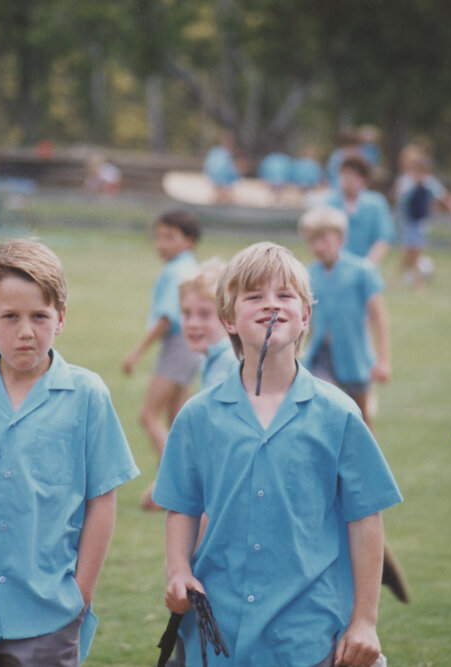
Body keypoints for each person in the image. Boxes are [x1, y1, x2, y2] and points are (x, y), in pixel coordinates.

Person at [154, 241, 402, 667]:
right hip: (218, 632)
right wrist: (178, 570)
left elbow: (365, 517)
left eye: (285, 295)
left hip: (307, 632)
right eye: (254, 296)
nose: (271, 304)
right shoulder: (197, 416)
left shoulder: (339, 413)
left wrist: (364, 620)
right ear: (228, 319)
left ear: (305, 315)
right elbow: (183, 506)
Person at [0, 239, 139, 666]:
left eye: (39, 316)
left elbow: (101, 500)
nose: (26, 331)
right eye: (10, 316)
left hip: (48, 612)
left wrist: (81, 593)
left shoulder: (87, 395)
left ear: (61, 318)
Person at [122, 209, 201, 510]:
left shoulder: (176, 272)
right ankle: (186, 484)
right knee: (177, 419)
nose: (161, 244)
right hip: (190, 347)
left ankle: (176, 484)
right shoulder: (190, 267)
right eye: (158, 237)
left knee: (148, 415)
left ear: (189, 240)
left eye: (170, 237)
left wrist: (136, 352)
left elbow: (167, 317)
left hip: (178, 345)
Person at [299, 206, 391, 434]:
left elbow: (378, 316)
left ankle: (366, 455)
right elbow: (307, 321)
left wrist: (383, 360)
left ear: (341, 239)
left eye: (324, 239)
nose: (318, 246)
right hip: (321, 355)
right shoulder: (308, 275)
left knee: (361, 420)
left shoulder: (362, 271)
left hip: (354, 355)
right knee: (323, 405)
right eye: (312, 240)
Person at [391, 145, 451, 289]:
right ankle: (418, 284)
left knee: (412, 252)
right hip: (407, 222)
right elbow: (398, 197)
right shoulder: (406, 181)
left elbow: (442, 195)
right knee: (413, 252)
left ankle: (395, 279)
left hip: (419, 222)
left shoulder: (427, 181)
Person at [178, 258, 239, 390]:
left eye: (205, 314)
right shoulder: (209, 358)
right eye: (187, 313)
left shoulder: (235, 363)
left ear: (229, 317)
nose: (193, 324)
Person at [326, 156, 395, 266]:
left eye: (352, 175)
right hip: (336, 265)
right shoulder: (329, 204)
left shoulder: (376, 204)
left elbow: (383, 238)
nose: (347, 180)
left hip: (367, 263)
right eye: (344, 174)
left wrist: (367, 265)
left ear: (364, 180)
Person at [203, 130, 240, 202]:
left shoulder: (230, 154)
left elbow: (234, 171)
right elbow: (210, 168)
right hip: (217, 183)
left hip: (227, 184)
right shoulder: (216, 153)